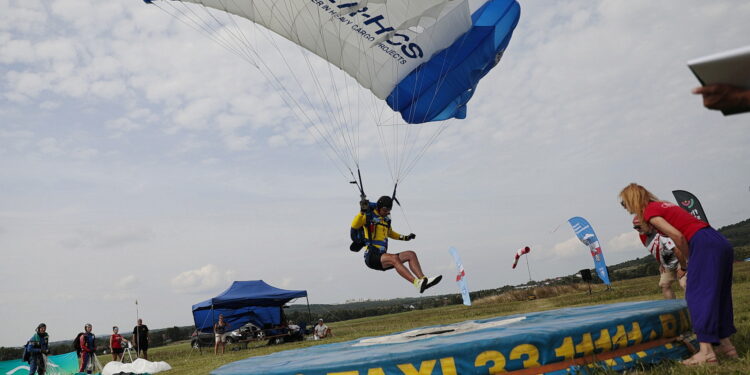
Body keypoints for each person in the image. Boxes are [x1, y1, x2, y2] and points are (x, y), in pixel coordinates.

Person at [619, 183, 737, 365]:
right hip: (717, 240)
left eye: (624, 203)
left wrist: (689, 260)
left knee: (696, 295)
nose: (625, 208)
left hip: (702, 243)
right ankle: (726, 346)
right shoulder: (664, 205)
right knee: (717, 294)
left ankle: (706, 352)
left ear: (632, 200)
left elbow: (678, 236)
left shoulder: (650, 212)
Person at [351, 196, 442, 293]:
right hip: (371, 255)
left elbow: (391, 233)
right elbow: (355, 225)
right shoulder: (368, 216)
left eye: (389, 210)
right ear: (379, 207)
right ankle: (416, 283)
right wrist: (362, 212)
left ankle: (423, 280)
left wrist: (406, 237)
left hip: (382, 256)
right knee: (394, 258)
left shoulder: (385, 220)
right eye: (385, 210)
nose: (387, 212)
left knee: (411, 254)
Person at [632, 216, 686, 299]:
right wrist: (661, 263)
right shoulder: (643, 236)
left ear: (648, 224)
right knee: (664, 285)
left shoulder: (661, 233)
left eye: (639, 226)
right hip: (667, 264)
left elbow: (677, 250)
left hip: (681, 260)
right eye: (635, 227)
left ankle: (695, 306)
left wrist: (683, 268)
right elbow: (656, 250)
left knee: (684, 284)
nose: (637, 229)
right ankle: (672, 308)